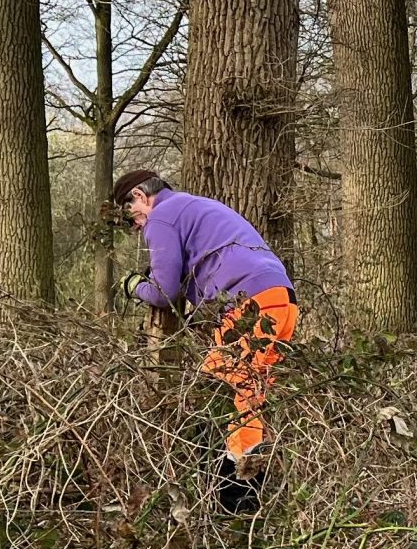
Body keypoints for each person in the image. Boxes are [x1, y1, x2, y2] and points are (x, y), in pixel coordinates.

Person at [114, 170, 299, 516]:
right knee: (248, 401)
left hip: (251, 306)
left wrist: (134, 285)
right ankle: (244, 504)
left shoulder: (162, 217)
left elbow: (164, 292)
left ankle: (233, 501)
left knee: (217, 401)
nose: (136, 228)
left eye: (131, 218)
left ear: (139, 196)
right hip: (281, 300)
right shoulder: (191, 206)